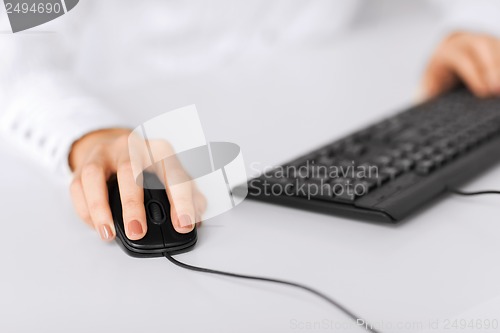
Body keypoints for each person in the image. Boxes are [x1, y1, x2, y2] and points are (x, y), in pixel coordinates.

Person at [1, 0, 500, 242]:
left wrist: (479, 22)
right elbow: (16, 49)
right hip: (160, 148)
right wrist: (87, 135)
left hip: (351, 109)